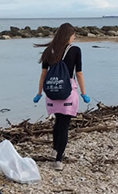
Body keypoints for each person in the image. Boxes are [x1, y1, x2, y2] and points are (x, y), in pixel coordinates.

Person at [32, 23, 90, 171]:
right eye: (73, 35)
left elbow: (43, 75)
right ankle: (58, 160)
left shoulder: (48, 51)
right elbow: (79, 73)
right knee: (64, 125)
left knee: (58, 121)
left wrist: (39, 93)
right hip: (67, 92)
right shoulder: (75, 50)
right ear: (68, 36)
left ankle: (54, 149)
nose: (74, 38)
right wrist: (84, 93)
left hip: (51, 91)